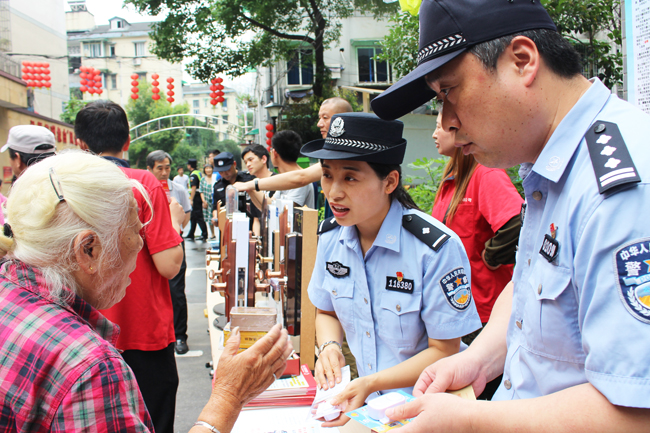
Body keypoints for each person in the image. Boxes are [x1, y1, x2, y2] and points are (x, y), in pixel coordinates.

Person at [369, 0, 650, 431]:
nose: (448, 122)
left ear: (522, 61)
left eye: (449, 92)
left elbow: (635, 412)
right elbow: (529, 288)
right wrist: (477, 359)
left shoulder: (619, 189)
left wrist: (472, 421)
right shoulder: (551, 168)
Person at [0, 151, 292, 432]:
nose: (141, 245)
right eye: (133, 232)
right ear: (87, 249)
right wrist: (228, 398)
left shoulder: (9, 293)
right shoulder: (92, 367)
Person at [303, 112, 481, 427]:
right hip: (369, 407)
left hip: (431, 407)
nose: (333, 192)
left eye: (350, 177)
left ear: (390, 181)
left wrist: (372, 382)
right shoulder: (332, 238)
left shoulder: (434, 249)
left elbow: (445, 350)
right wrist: (330, 346)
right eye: (327, 175)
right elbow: (326, 310)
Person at [75, 100, 185, 433]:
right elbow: (169, 265)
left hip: (83, 333)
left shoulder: (68, 187)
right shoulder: (143, 184)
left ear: (80, 144)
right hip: (143, 334)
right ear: (127, 142)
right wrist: (176, 224)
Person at [147, 150, 193, 355]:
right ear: (149, 169)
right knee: (153, 289)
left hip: (174, 242)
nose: (164, 172)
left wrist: (177, 231)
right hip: (151, 245)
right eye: (160, 168)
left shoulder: (179, 189)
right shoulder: (144, 190)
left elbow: (187, 213)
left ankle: (180, 336)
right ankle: (158, 332)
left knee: (176, 291)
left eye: (167, 167)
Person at [267, 130, 315, 208]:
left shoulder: (300, 180)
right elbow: (271, 203)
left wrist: (251, 186)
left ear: (274, 153)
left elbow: (282, 210)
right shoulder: (286, 177)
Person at [211, 152, 257, 230]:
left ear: (234, 164)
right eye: (221, 172)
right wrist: (215, 217)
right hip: (228, 228)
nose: (225, 174)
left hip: (250, 226)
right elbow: (215, 206)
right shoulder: (218, 186)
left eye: (227, 170)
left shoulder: (249, 179)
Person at [186, 158, 208, 241]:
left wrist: (191, 199)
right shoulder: (198, 172)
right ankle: (191, 233)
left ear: (189, 166)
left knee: (198, 216)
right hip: (198, 196)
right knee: (193, 217)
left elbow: (194, 187)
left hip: (196, 197)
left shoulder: (193, 175)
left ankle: (204, 234)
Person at [199, 164, 216, 240]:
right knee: (209, 218)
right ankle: (212, 233)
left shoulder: (215, 178)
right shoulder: (203, 180)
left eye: (210, 168)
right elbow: (201, 191)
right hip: (207, 202)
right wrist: (203, 201)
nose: (208, 170)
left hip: (215, 201)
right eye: (207, 168)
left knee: (217, 217)